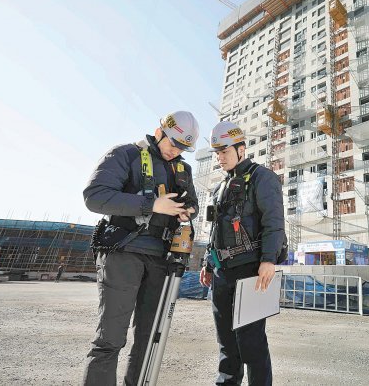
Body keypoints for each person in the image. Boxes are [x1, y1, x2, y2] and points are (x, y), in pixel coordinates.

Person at [82, 111, 200, 386]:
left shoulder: (183, 169)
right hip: (124, 252)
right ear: (160, 131)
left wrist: (188, 211)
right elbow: (94, 196)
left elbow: (192, 202)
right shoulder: (125, 155)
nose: (176, 152)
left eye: (183, 148)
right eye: (173, 144)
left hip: (161, 258)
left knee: (149, 338)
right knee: (110, 338)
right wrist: (152, 205)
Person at [200, 121, 286, 386]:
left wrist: (268, 259)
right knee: (226, 342)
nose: (220, 157)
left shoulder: (262, 177)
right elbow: (215, 230)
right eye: (217, 152)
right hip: (222, 273)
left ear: (241, 149)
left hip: (251, 272)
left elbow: (274, 222)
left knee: (251, 343)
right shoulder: (220, 187)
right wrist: (207, 263)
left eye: (224, 151)